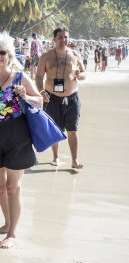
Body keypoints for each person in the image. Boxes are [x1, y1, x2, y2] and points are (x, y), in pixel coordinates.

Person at [0, 32, 42, 249]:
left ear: (9, 55)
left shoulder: (20, 77)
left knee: (13, 186)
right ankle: (6, 223)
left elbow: (40, 101)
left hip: (17, 136)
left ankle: (13, 233)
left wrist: (26, 96)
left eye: (2, 52)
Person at [36, 27, 86, 169]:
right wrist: (41, 91)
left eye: (65, 37)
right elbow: (39, 76)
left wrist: (78, 75)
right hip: (52, 98)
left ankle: (74, 160)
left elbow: (84, 74)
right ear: (54, 39)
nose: (63, 40)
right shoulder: (46, 57)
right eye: (60, 37)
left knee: (72, 130)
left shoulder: (75, 55)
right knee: (54, 129)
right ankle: (55, 157)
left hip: (72, 98)